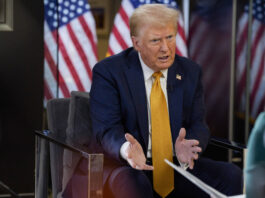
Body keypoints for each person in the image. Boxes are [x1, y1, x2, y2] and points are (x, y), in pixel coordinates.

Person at [89, 4, 243, 198]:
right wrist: (126, 149)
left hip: (174, 165)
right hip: (128, 166)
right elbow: (106, 130)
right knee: (134, 184)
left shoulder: (189, 71)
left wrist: (189, 146)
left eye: (170, 37)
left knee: (232, 175)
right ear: (136, 43)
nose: (166, 48)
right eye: (155, 41)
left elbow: (199, 124)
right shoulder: (109, 72)